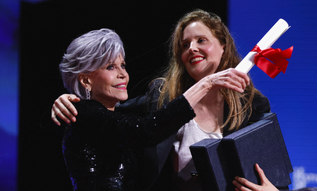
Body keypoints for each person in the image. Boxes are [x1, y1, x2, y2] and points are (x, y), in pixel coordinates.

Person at [52, 10, 278, 191]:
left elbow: (269, 170)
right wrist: (66, 99)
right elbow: (127, 122)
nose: (192, 48)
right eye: (184, 44)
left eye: (201, 40)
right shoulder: (161, 98)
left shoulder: (253, 105)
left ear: (223, 46)